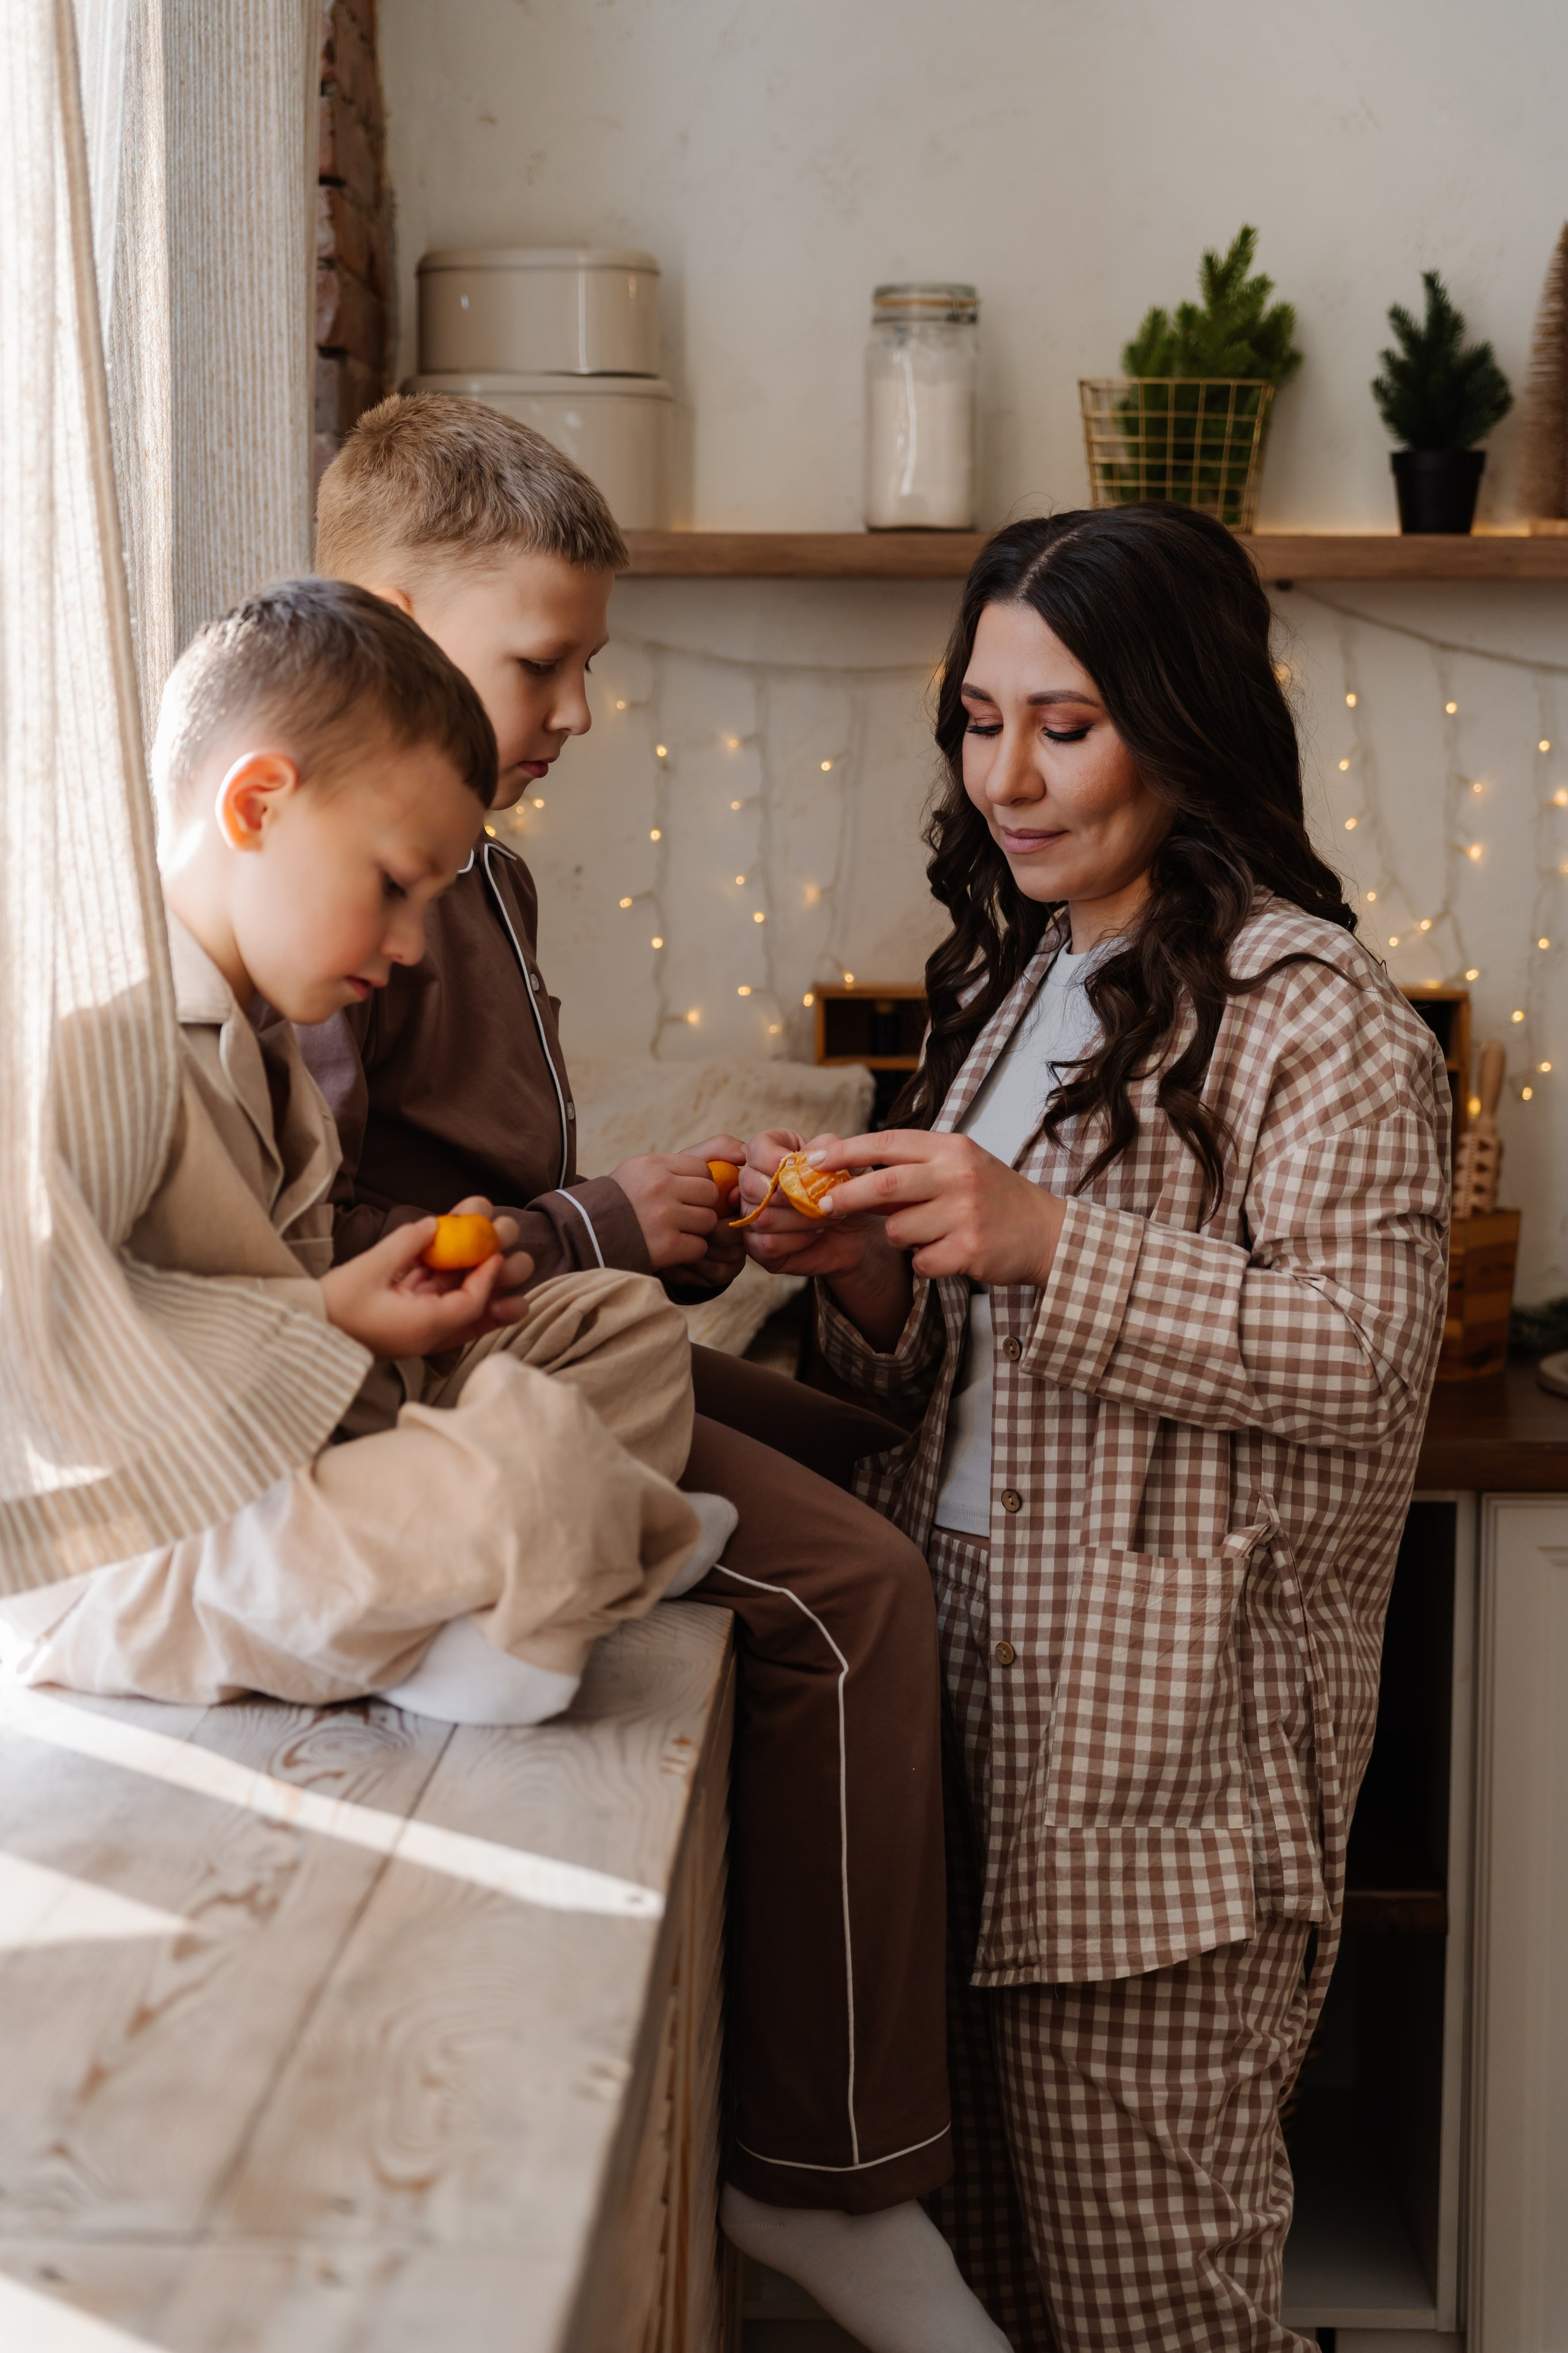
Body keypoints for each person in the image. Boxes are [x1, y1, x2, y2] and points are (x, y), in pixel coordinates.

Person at [294, 395, 1003, 2352]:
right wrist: (611, 1227)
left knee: (869, 1431)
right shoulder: (361, 895)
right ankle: (831, 2171)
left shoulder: (490, 879)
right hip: (462, 1401)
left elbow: (509, 1185)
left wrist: (692, 1225)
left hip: (563, 1335)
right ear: (385, 617)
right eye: (547, 658)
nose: (581, 707)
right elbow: (353, 1266)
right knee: (854, 1590)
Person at [736, 505, 1451, 2352]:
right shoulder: (1012, 983)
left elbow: (1369, 1363)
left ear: (1185, 715)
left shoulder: (1322, 1017)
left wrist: (1048, 1236)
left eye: (1065, 723)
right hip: (963, 1749)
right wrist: (873, 1278)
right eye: (980, 721)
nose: (1008, 778)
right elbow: (949, 1403)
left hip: (1164, 1808)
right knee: (989, 2310)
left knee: (1158, 2319)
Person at [0, 579, 706, 1720]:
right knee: (535, 1474)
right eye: (392, 885)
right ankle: (548, 1568)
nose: (414, 942)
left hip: (278, 1451)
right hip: (146, 1543)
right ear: (258, 804)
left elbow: (245, 1294)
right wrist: (326, 1322)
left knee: (618, 1324)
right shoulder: (94, 1029)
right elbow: (48, 1340)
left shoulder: (264, 1033)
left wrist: (357, 1308)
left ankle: (532, 1559)